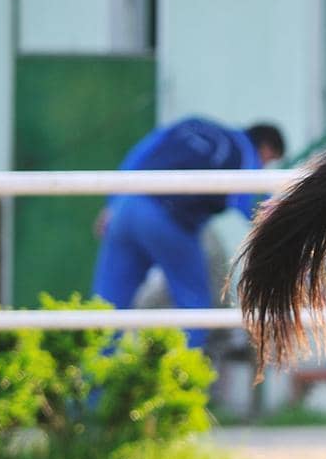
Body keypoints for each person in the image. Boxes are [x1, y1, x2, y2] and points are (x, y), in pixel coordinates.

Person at [93, 117, 285, 348]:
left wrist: (113, 202)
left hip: (127, 206)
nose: (263, 167)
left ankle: (92, 380)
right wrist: (287, 226)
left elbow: (142, 152)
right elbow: (252, 203)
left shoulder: (192, 124)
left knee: (106, 309)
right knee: (194, 307)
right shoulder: (242, 154)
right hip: (168, 222)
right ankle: (183, 378)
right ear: (266, 149)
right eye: (268, 162)